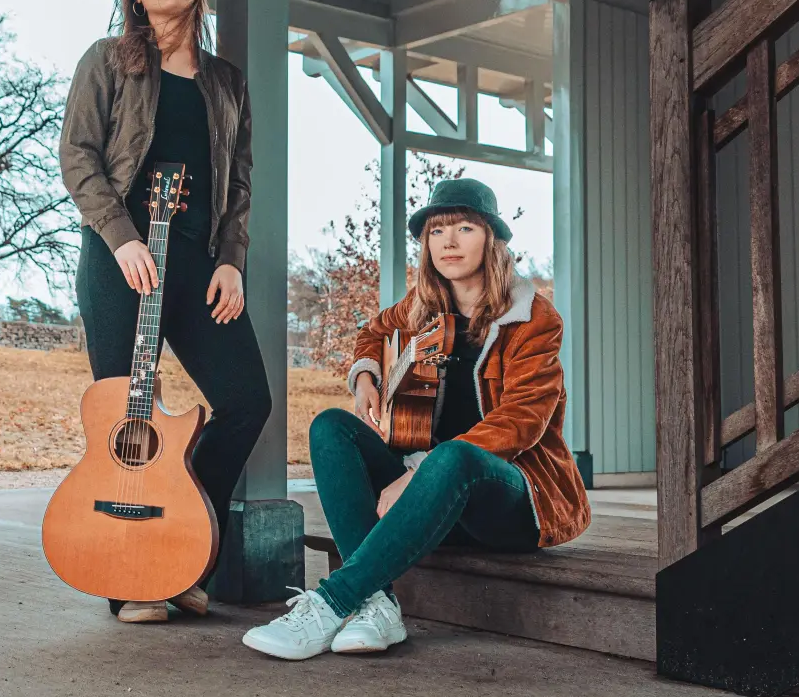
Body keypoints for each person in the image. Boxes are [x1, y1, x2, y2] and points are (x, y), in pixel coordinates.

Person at [241, 178, 592, 659]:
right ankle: (379, 607)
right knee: (330, 427)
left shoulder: (534, 318)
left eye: (465, 228)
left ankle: (333, 602)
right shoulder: (423, 306)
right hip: (430, 500)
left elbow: (522, 421)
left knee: (455, 459)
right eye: (436, 231)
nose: (448, 242)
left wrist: (419, 472)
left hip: (509, 501)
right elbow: (372, 333)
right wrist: (366, 378)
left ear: (492, 238)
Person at [58, 0, 270, 624]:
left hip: (199, 269)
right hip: (122, 263)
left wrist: (232, 262)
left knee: (247, 402)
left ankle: (177, 549)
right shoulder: (108, 61)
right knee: (123, 419)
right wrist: (119, 239)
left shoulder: (227, 83)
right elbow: (79, 158)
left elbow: (239, 184)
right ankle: (130, 578)